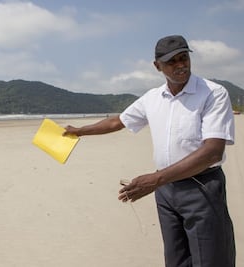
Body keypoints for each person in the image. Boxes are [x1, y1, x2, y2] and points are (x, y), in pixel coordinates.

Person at [63, 35, 235, 267]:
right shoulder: (152, 98)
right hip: (166, 192)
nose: (180, 65)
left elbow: (212, 152)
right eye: (171, 61)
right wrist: (80, 131)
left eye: (183, 58)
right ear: (157, 66)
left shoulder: (213, 93)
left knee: (211, 259)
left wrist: (155, 179)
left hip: (201, 187)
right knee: (176, 260)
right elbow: (118, 122)